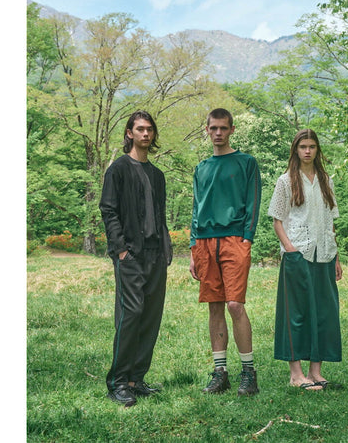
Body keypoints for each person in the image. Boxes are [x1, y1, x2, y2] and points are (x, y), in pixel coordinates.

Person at [99, 110, 172, 407]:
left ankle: (135, 380)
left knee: (150, 318)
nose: (145, 134)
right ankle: (118, 382)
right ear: (129, 133)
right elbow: (108, 210)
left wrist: (166, 250)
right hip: (130, 254)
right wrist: (121, 250)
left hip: (156, 254)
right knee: (130, 315)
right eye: (140, 129)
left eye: (149, 129)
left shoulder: (157, 175)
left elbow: (160, 216)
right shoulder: (118, 169)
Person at [189, 108, 262, 396]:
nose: (218, 133)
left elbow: (253, 202)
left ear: (232, 129)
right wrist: (193, 247)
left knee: (235, 305)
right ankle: (220, 373)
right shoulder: (201, 168)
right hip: (205, 242)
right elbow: (196, 208)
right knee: (215, 305)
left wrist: (247, 239)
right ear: (207, 130)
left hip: (234, 240)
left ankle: (249, 373)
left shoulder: (246, 162)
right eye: (213, 128)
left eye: (223, 128)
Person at [268, 128, 343, 391]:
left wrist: (336, 256)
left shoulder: (326, 180)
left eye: (312, 146)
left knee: (323, 313)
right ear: (296, 150)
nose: (307, 151)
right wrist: (290, 250)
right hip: (297, 254)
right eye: (303, 147)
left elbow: (330, 221)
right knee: (296, 314)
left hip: (325, 253)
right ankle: (296, 374)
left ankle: (315, 371)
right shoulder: (285, 181)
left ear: (317, 149)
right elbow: (277, 221)